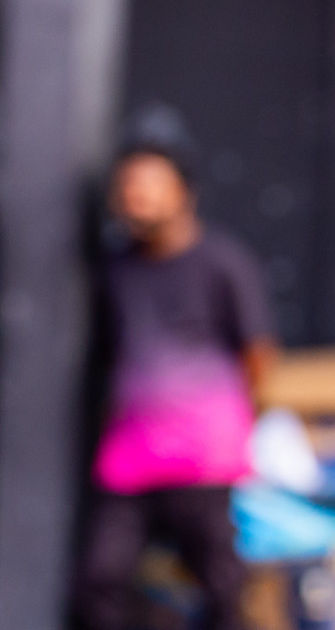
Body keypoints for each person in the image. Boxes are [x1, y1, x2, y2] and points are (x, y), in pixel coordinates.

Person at [75, 145, 279, 630]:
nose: (137, 196)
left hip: (203, 458)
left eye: (150, 184)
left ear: (184, 193)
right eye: (128, 187)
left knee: (222, 586)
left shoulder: (223, 262)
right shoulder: (114, 269)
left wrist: (229, 423)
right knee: (98, 581)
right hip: (130, 456)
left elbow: (259, 354)